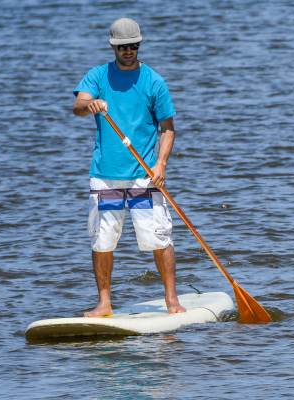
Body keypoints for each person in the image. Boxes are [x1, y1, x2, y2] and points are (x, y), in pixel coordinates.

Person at [72, 17, 185, 317]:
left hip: (143, 178)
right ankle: (104, 303)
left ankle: (172, 301)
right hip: (105, 178)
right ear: (113, 47)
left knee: (158, 237)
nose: (128, 51)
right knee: (103, 239)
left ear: (139, 45)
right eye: (123, 47)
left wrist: (160, 165)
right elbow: (78, 106)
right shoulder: (97, 77)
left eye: (133, 46)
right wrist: (90, 104)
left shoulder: (153, 81)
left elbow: (169, 128)